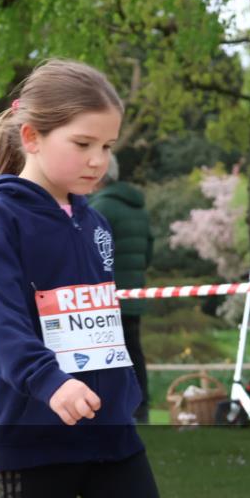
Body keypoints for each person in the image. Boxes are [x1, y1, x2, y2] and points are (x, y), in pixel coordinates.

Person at [0, 59, 173, 498]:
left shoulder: (95, 220)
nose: (98, 160)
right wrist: (51, 382)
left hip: (111, 435)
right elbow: (1, 326)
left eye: (108, 146)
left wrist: (123, 391)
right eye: (83, 144)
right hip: (36, 436)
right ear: (31, 136)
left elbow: (101, 319)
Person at [89, 154, 154, 423]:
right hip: (133, 293)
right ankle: (141, 408)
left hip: (106, 297)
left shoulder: (100, 207)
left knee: (108, 357)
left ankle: (115, 409)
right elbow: (148, 251)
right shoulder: (137, 207)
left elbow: (92, 254)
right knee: (134, 352)